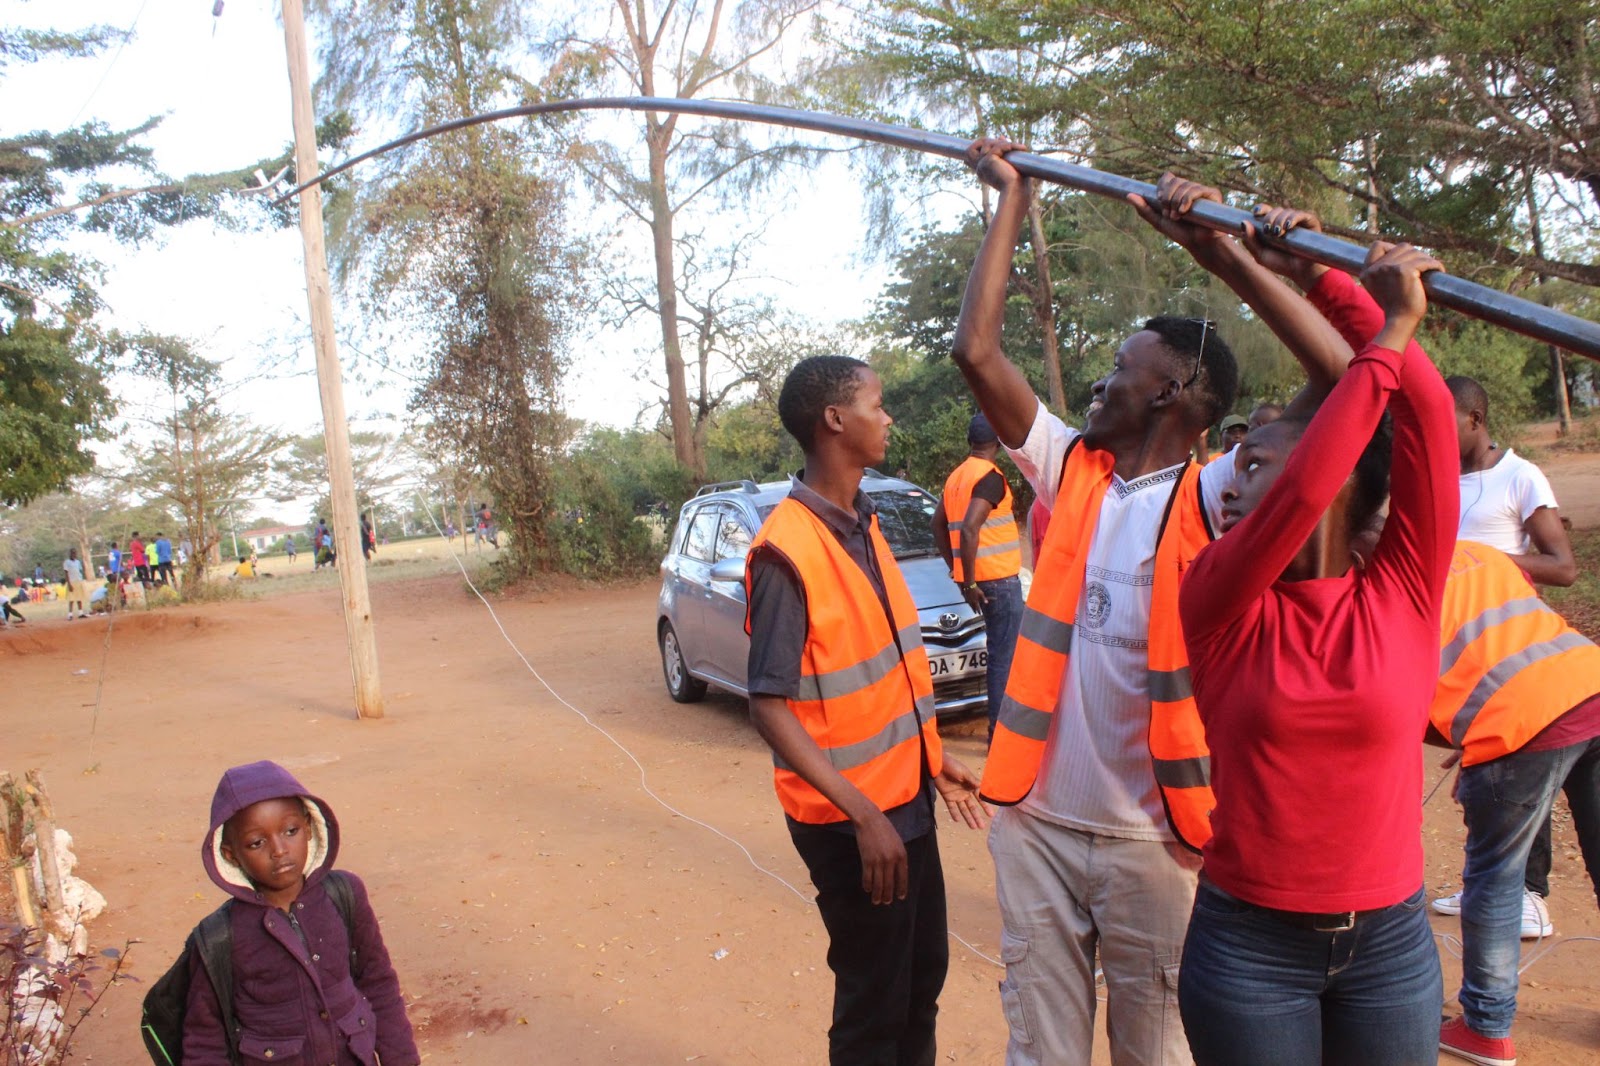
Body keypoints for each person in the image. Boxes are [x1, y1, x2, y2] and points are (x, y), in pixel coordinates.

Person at [952, 140, 1362, 1065]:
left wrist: (1248, 262)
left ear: (1175, 391)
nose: (1101, 381)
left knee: (1158, 1053)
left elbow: (1346, 384)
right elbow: (975, 349)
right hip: (1038, 826)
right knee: (1041, 1052)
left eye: (1123, 366)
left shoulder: (1223, 490)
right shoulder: (1072, 468)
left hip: (1160, 842)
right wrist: (1012, 198)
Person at [1174, 206, 1457, 1066]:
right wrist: (1390, 321)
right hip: (1248, 947)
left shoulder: (1405, 586)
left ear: (1329, 475)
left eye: (1254, 462)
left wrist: (1326, 281)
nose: (1228, 480)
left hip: (1392, 945)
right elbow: (1297, 501)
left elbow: (1428, 414)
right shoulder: (1216, 596)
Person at [745, 355, 989, 1066]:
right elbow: (770, 706)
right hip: (854, 824)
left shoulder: (864, 522)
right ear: (834, 421)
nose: (889, 418)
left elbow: (889, 675)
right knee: (873, 1006)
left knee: (920, 983)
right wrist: (864, 815)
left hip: (904, 800)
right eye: (877, 405)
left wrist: (935, 764)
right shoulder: (785, 551)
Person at [1428, 541, 1600, 1065]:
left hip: (1523, 725)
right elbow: (1512, 641)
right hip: (1590, 683)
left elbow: (1391, 698)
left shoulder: (1383, 584)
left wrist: (1485, 739)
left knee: (1496, 875)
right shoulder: (1473, 550)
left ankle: (1485, 1025)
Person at [1431, 373, 1582, 940]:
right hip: (1464, 652)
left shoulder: (1520, 476)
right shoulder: (1440, 479)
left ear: (1474, 419)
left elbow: (1563, 566)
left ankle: (1531, 894)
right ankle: (1490, 882)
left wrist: (1483, 564)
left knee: (1524, 759)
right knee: (1488, 771)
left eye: (1444, 422)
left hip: (1517, 650)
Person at [182, 760, 419, 1065]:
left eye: (290, 830)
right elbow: (204, 1038)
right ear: (231, 855)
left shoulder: (345, 895)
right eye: (256, 842)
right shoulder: (218, 936)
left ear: (308, 827)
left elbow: (379, 983)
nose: (279, 849)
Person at [932, 413, 1025, 741]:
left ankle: (999, 728)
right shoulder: (990, 476)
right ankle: (1000, 733)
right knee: (1005, 657)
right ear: (998, 441)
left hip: (981, 582)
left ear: (971, 441)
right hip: (999, 581)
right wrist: (967, 580)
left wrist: (960, 574)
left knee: (1000, 652)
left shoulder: (956, 477)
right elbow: (970, 527)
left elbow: (937, 525)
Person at [61, 548, 86, 620]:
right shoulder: (67, 562)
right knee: (71, 598)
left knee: (79, 597)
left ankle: (80, 613)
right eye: (72, 553)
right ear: (70, 554)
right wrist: (69, 583)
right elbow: (66, 573)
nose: (73, 554)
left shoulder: (78, 562)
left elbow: (80, 570)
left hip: (78, 581)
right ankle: (70, 614)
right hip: (71, 581)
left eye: (75, 553)